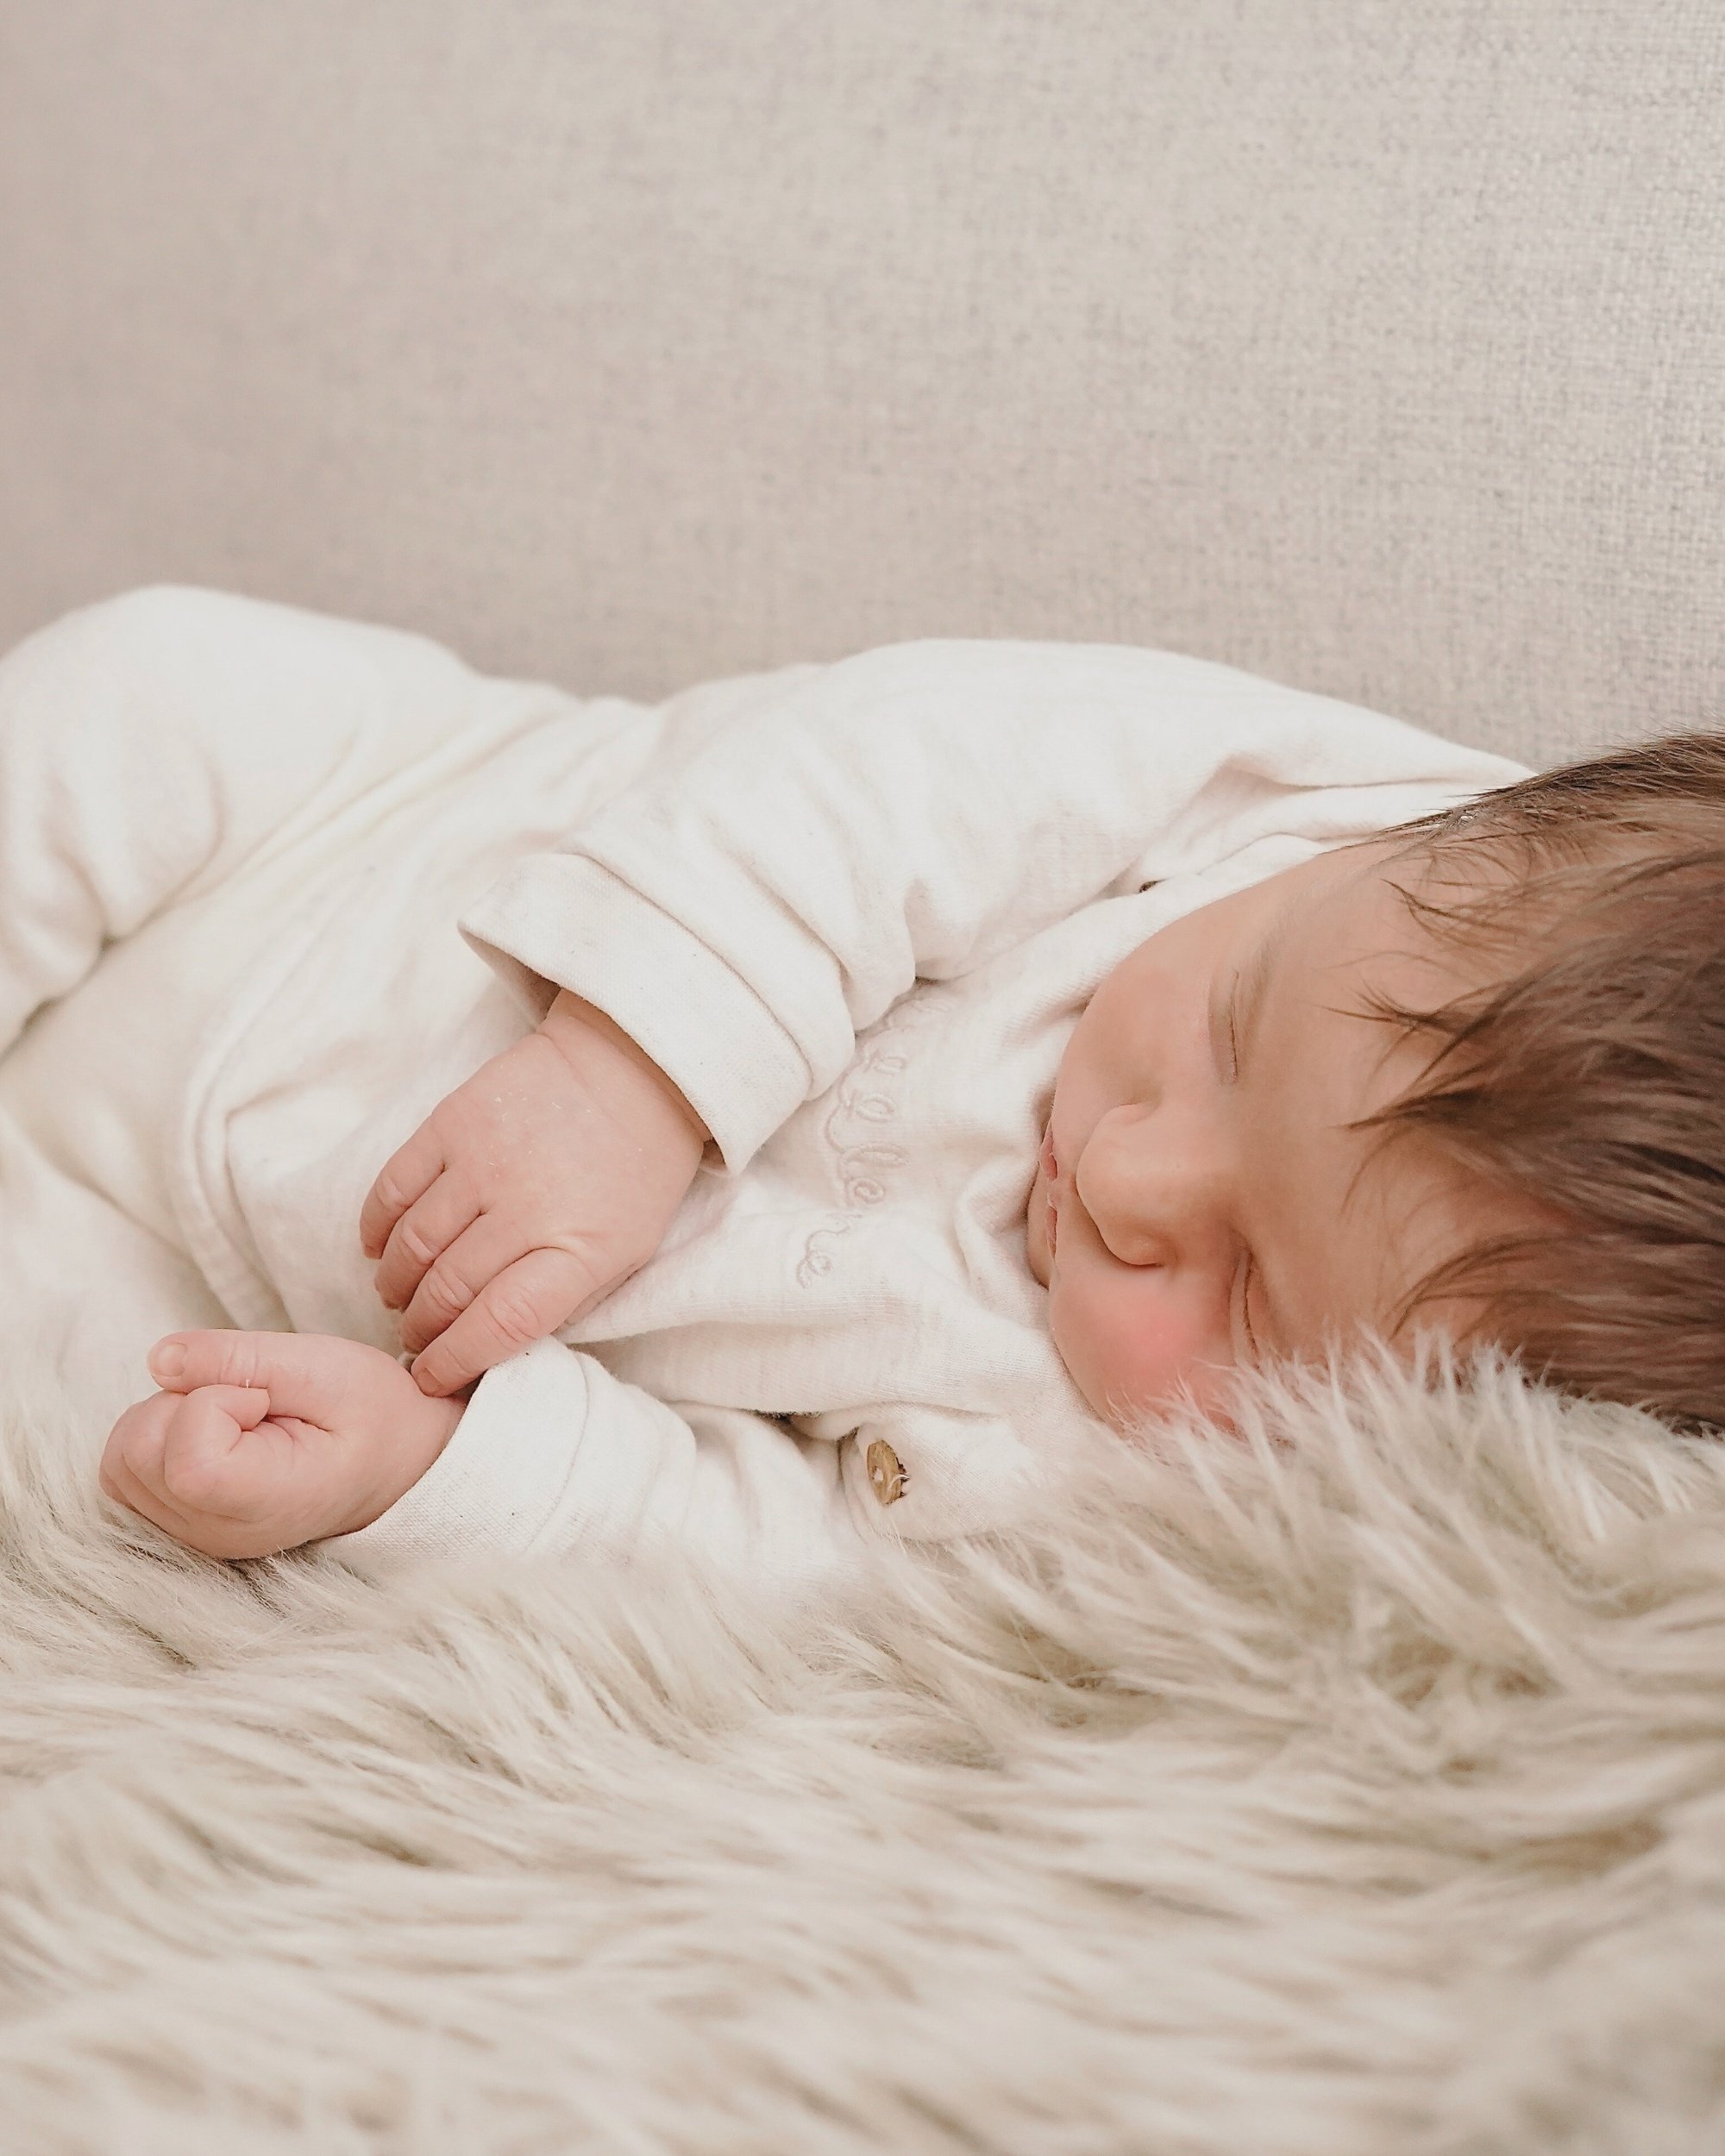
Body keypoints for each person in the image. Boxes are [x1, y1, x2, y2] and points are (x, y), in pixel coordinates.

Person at [3, 587, 1716, 1581]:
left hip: (221, 1291)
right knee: (148, 686)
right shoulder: (1322, 816)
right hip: (345, 830)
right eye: (1227, 1031)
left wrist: (427, 1465)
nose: (1128, 1178)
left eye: (1253, 1285)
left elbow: (765, 1549)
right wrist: (630, 1064)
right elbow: (907, 762)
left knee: (87, 1443)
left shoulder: (1106, 1484)